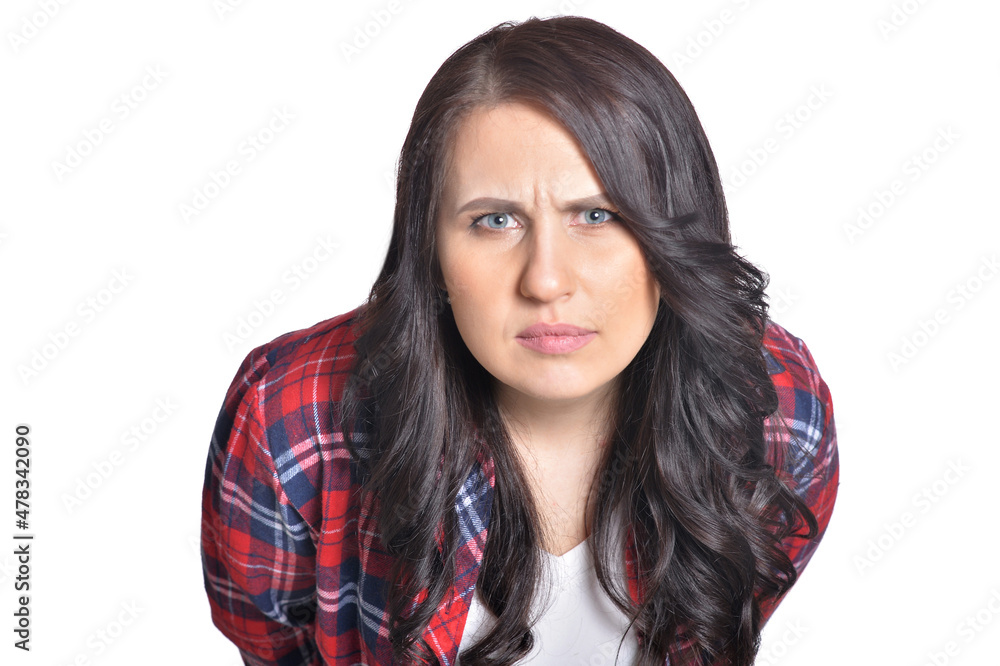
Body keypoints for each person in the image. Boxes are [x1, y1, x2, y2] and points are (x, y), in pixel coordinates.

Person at [200, 15, 839, 666]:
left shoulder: (776, 409)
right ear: (431, 249)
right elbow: (271, 642)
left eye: (598, 215)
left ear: (673, 236)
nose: (545, 280)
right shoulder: (291, 418)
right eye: (495, 220)